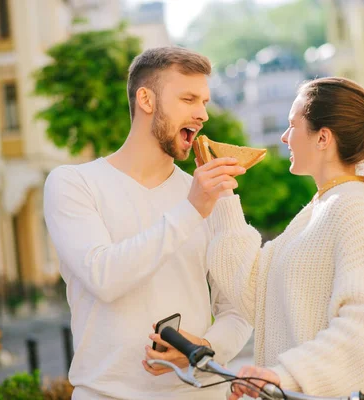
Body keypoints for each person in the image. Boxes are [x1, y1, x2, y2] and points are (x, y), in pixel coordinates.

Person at [193, 77, 364, 399]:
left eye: (293, 125)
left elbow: (362, 330)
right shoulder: (322, 207)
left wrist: (283, 375)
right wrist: (224, 195)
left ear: (323, 138)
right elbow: (256, 295)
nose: (284, 137)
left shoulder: (353, 208)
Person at [43, 46, 252, 400]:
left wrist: (204, 346)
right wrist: (191, 210)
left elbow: (239, 308)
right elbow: (103, 277)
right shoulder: (73, 184)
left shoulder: (208, 193)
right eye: (188, 99)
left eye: (204, 102)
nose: (201, 115)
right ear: (146, 99)